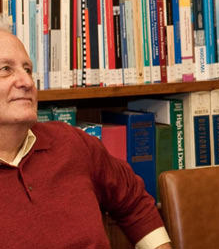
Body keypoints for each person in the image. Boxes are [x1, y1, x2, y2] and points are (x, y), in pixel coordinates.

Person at [0, 20, 172, 249]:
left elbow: (133, 198)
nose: (26, 82)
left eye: (28, 69)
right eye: (5, 69)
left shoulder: (71, 142)